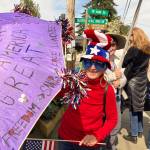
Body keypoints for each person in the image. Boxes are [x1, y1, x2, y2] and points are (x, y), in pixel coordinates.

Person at [57, 29, 118, 150]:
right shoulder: (74, 81)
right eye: (88, 63)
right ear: (83, 63)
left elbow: (112, 119)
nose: (93, 68)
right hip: (65, 137)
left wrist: (97, 136)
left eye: (99, 64)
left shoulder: (107, 89)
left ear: (106, 67)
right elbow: (57, 94)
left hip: (88, 143)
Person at [122, 27, 150, 144]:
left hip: (133, 81)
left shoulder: (133, 49)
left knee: (133, 108)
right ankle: (139, 130)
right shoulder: (147, 49)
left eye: (131, 36)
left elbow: (124, 63)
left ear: (136, 36)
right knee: (139, 107)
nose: (130, 39)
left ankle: (133, 135)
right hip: (143, 81)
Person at [104, 34, 126, 150]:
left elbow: (124, 77)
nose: (111, 47)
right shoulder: (99, 60)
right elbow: (97, 79)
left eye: (113, 44)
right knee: (105, 126)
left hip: (117, 98)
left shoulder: (117, 61)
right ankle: (107, 146)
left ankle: (110, 145)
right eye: (108, 44)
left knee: (116, 126)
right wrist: (113, 76)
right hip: (104, 101)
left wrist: (120, 82)